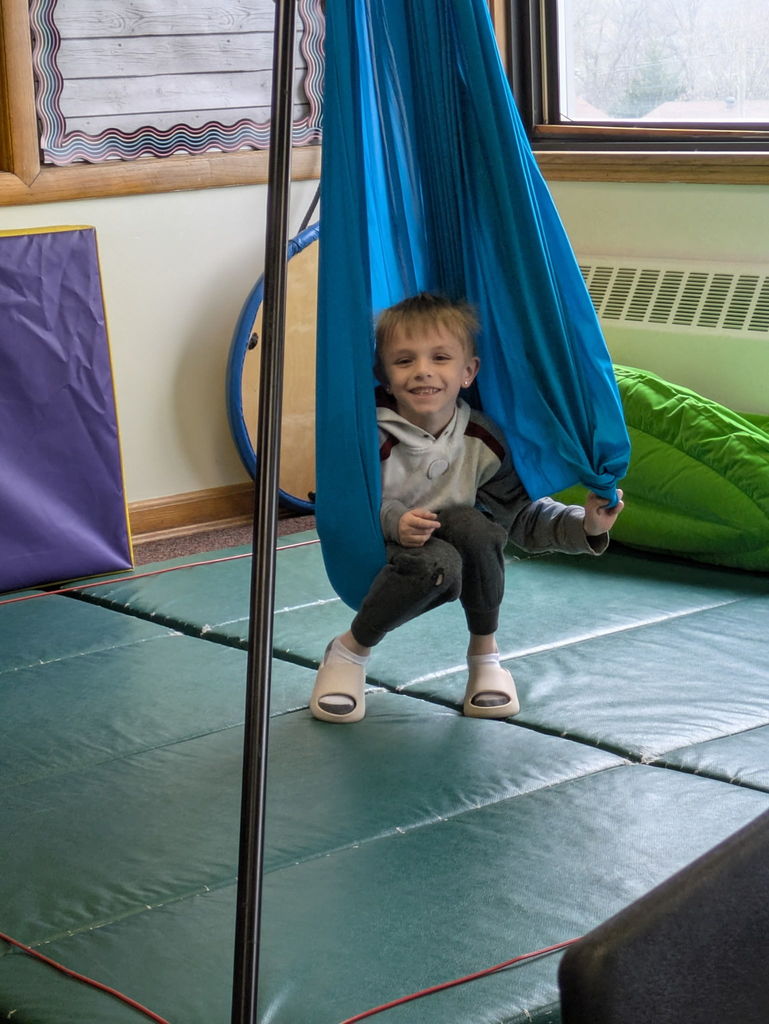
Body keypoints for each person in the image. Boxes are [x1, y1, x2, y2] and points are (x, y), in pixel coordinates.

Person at [310, 292, 624, 724]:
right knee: (435, 563)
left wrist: (585, 524)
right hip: (387, 550)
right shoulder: (369, 436)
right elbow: (346, 506)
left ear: (468, 372)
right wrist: (394, 522)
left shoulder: (483, 438)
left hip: (458, 548)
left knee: (475, 528)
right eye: (404, 362)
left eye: (440, 358)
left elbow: (519, 514)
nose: (423, 371)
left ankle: (485, 657)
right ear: (384, 375)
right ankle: (349, 650)